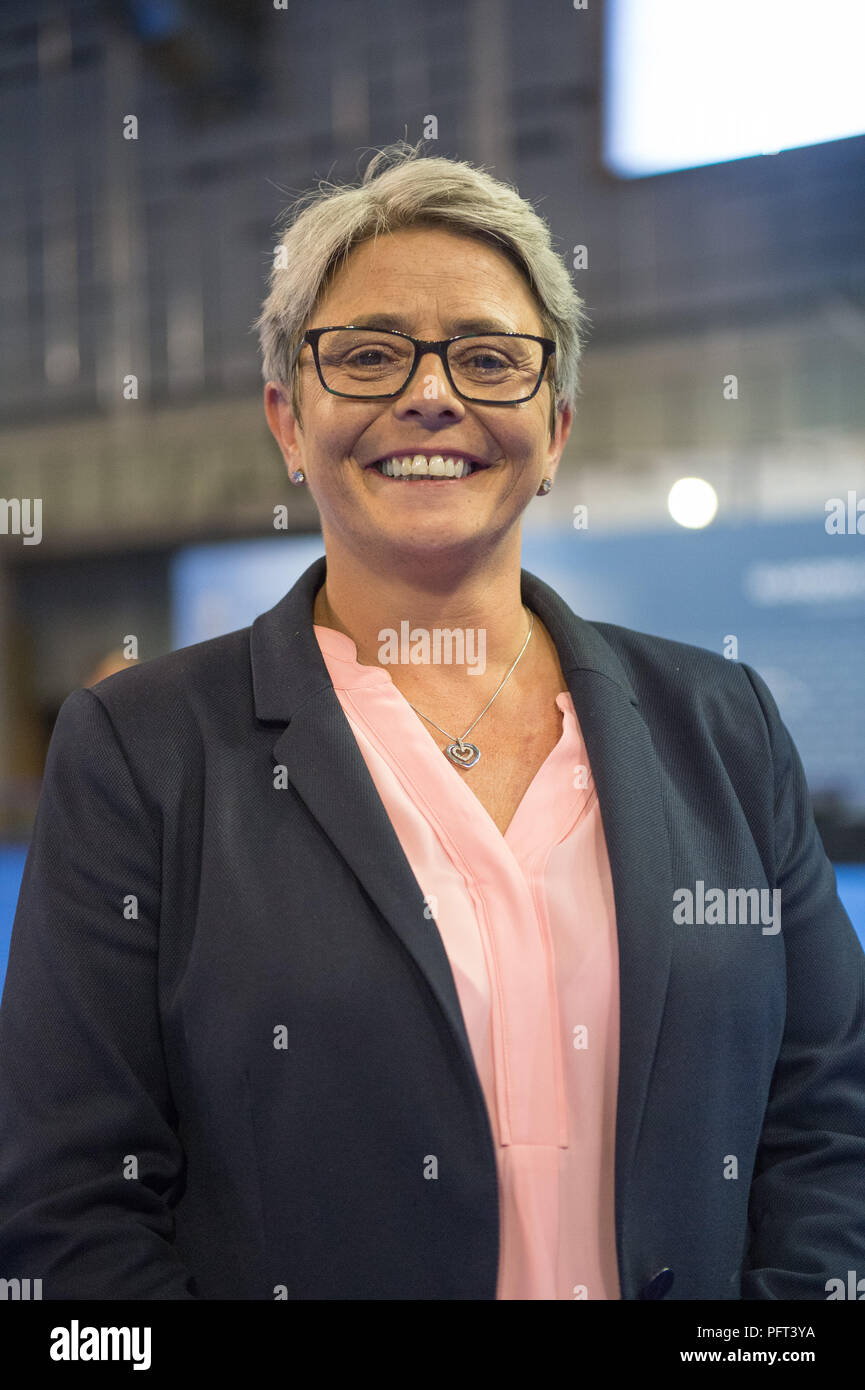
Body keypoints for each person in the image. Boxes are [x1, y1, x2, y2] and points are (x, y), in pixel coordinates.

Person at [1, 143, 863, 1301]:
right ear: (286, 422)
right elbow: (72, 1210)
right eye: (365, 355)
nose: (429, 391)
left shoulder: (721, 724)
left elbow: (829, 1120)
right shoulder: (143, 749)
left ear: (554, 426)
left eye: (487, 357)